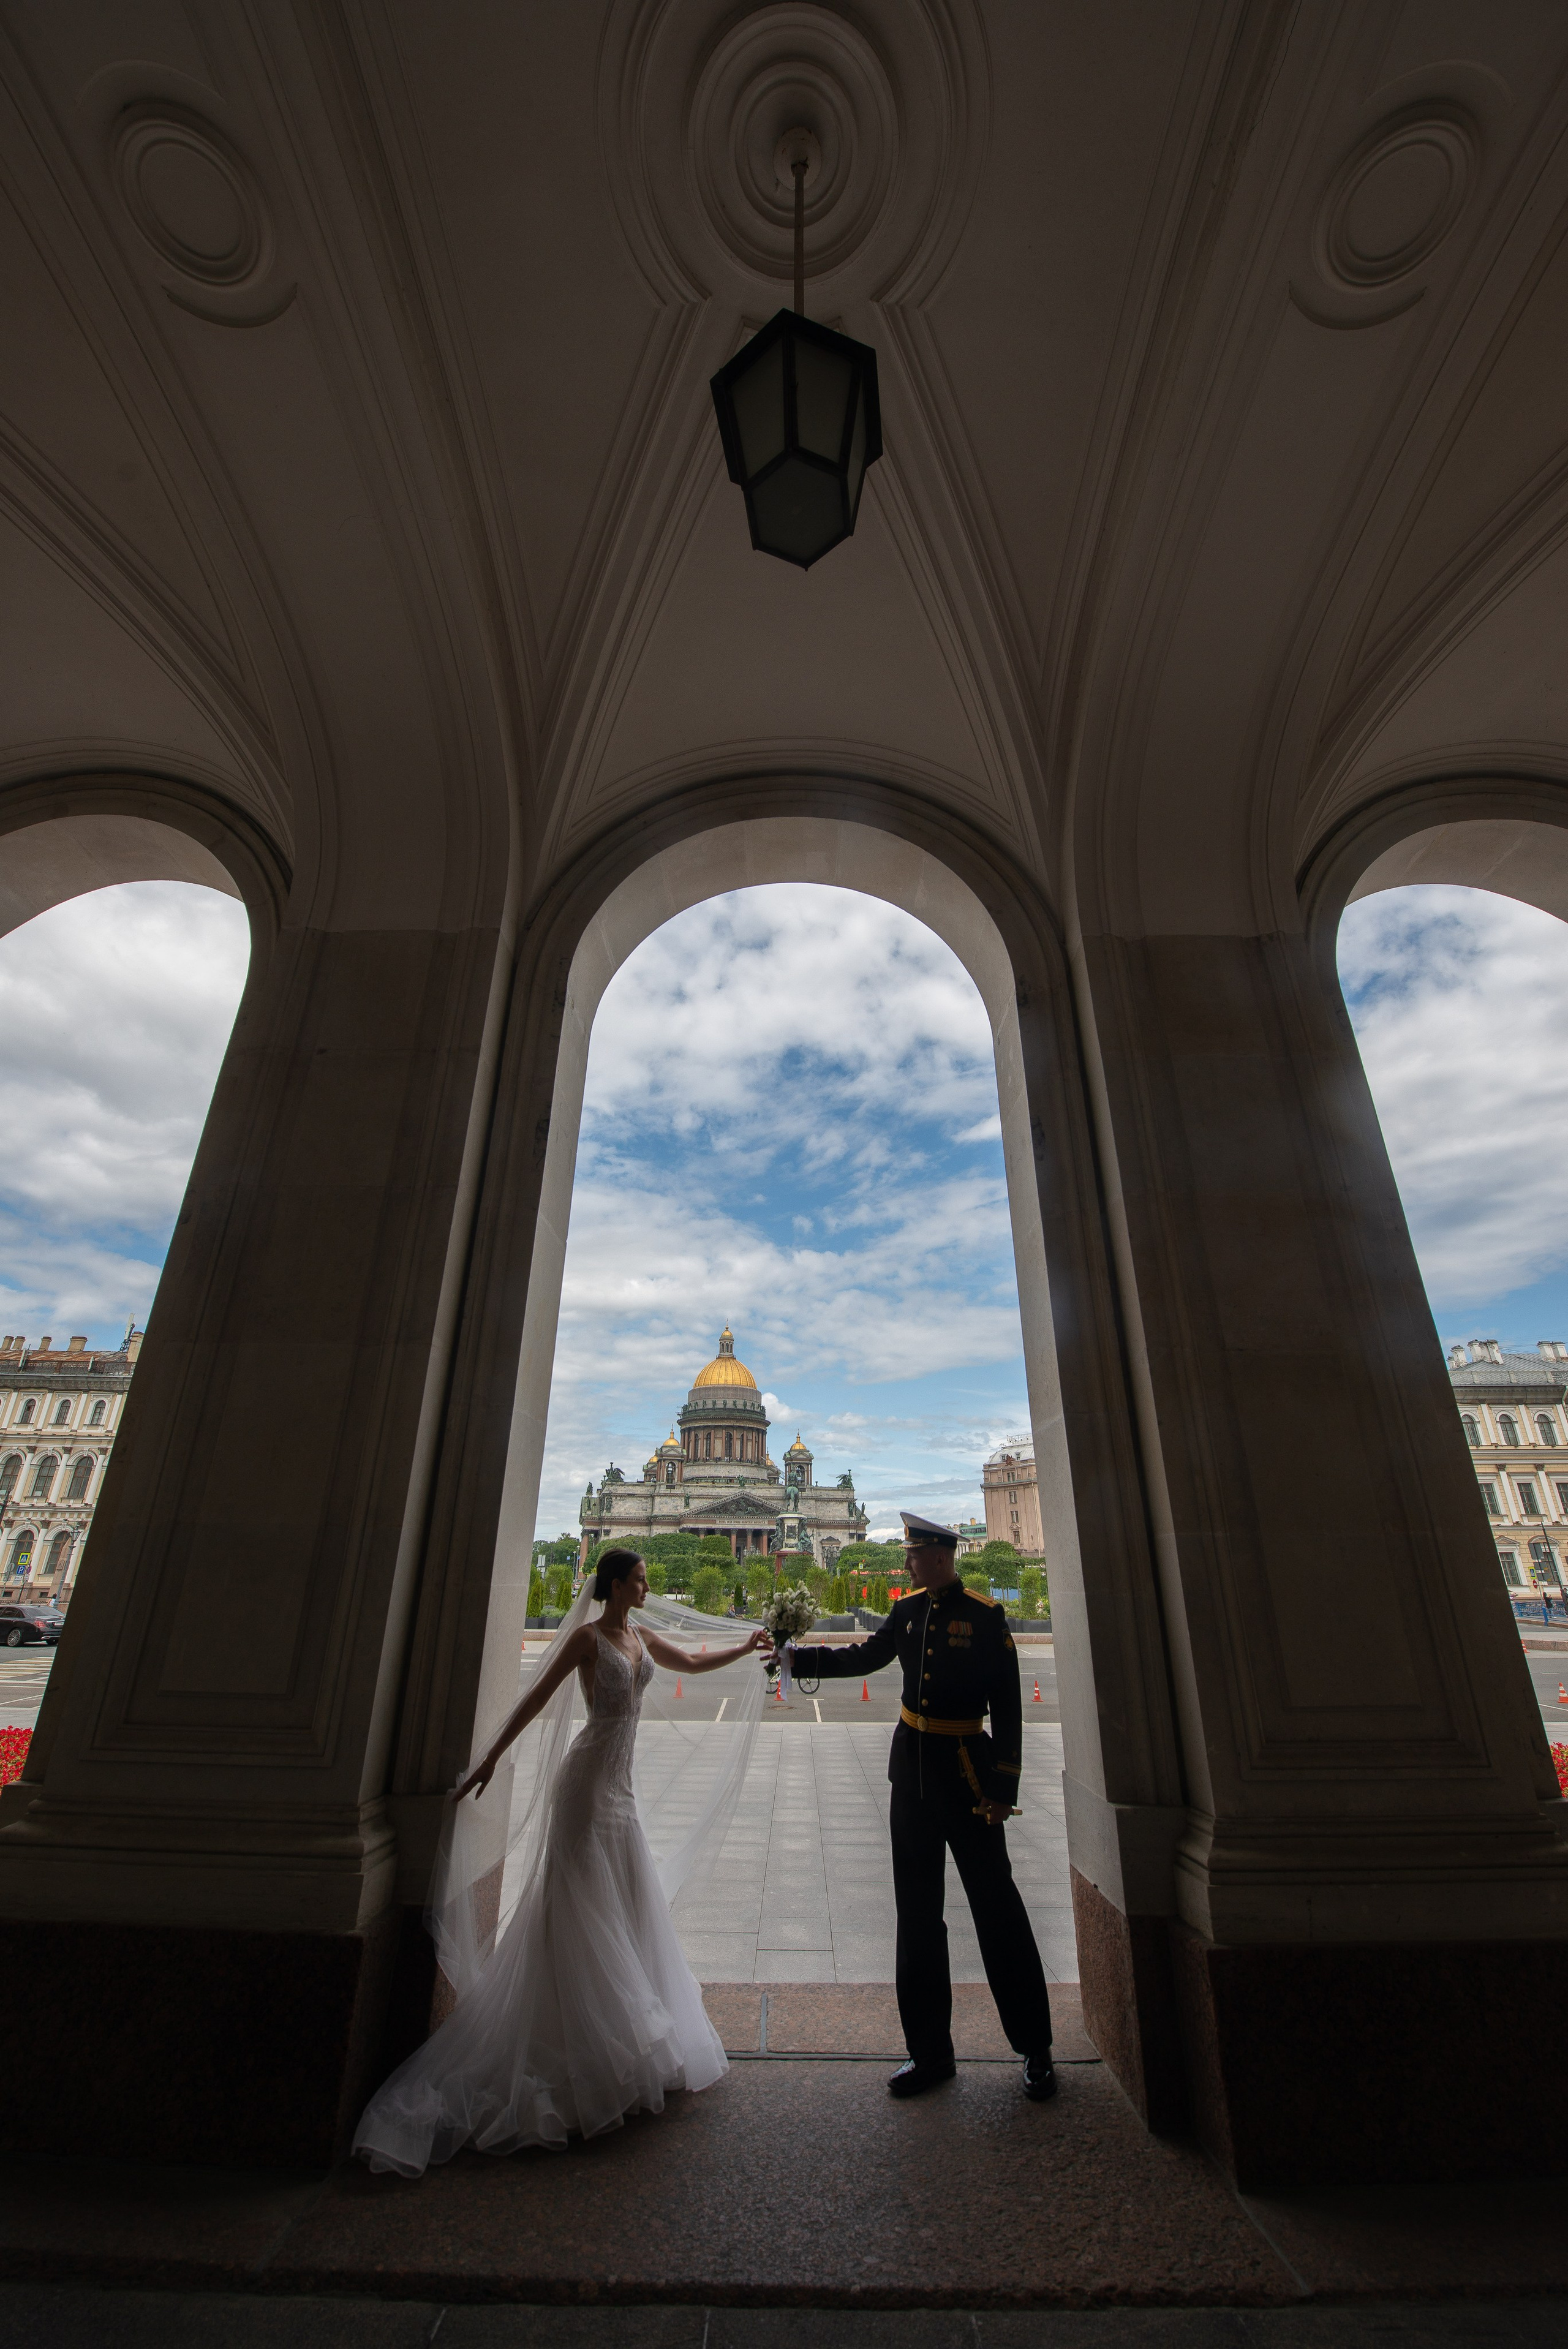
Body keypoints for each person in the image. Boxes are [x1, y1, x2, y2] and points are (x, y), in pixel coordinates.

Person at [354, 1548, 766, 2173]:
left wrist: (748, 1648)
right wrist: (491, 1758)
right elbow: (538, 1698)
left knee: (622, 1904)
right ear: (615, 1585)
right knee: (577, 1905)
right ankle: (581, 2046)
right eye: (639, 1578)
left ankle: (617, 2044)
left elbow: (695, 1662)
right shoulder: (585, 1638)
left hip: (619, 1789)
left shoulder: (639, 1634)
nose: (648, 1586)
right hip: (584, 1784)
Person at [780, 1512, 1055, 2103]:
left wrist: (1003, 1789)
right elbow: (864, 1656)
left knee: (997, 1910)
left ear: (939, 1556)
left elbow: (1008, 1706)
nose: (905, 1561)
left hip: (968, 1779)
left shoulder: (985, 1616)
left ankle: (1036, 2046)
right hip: (913, 1779)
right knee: (918, 1917)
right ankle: (929, 2051)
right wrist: (796, 1659)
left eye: (913, 1553)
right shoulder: (907, 1612)